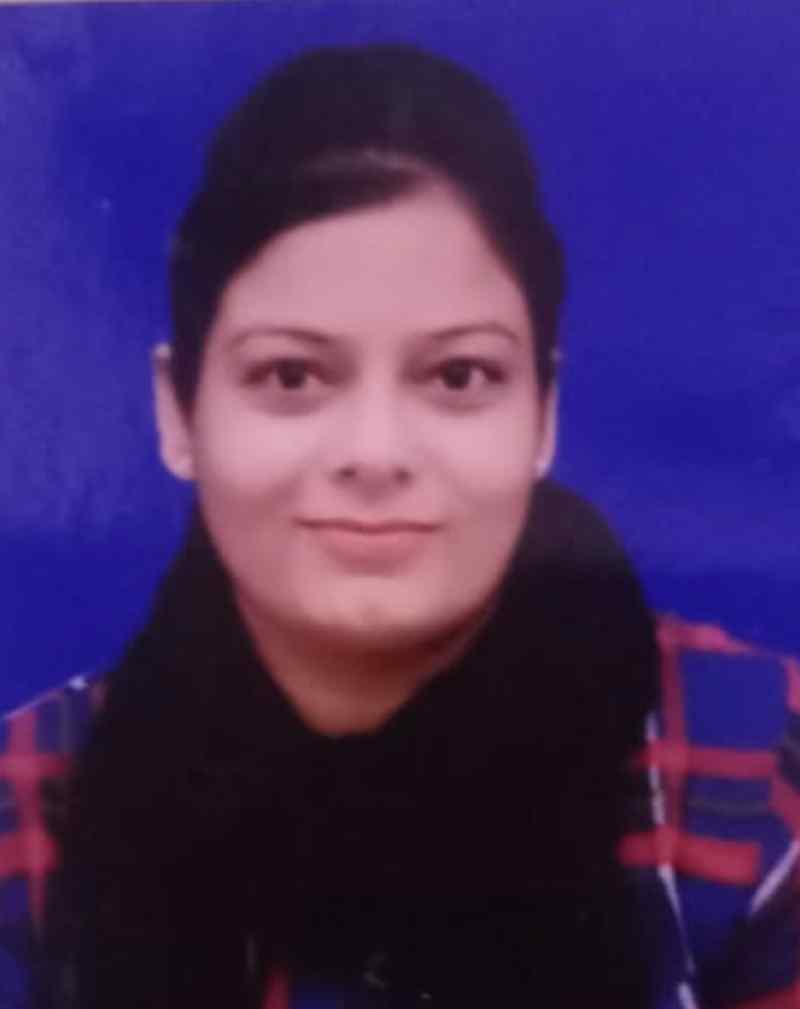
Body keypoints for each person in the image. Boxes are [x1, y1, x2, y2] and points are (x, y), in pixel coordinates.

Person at [0, 43, 798, 1009]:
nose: (375, 453)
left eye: (458, 375)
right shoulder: (26, 805)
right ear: (178, 410)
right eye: (292, 375)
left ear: (544, 413)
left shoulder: (755, 768)